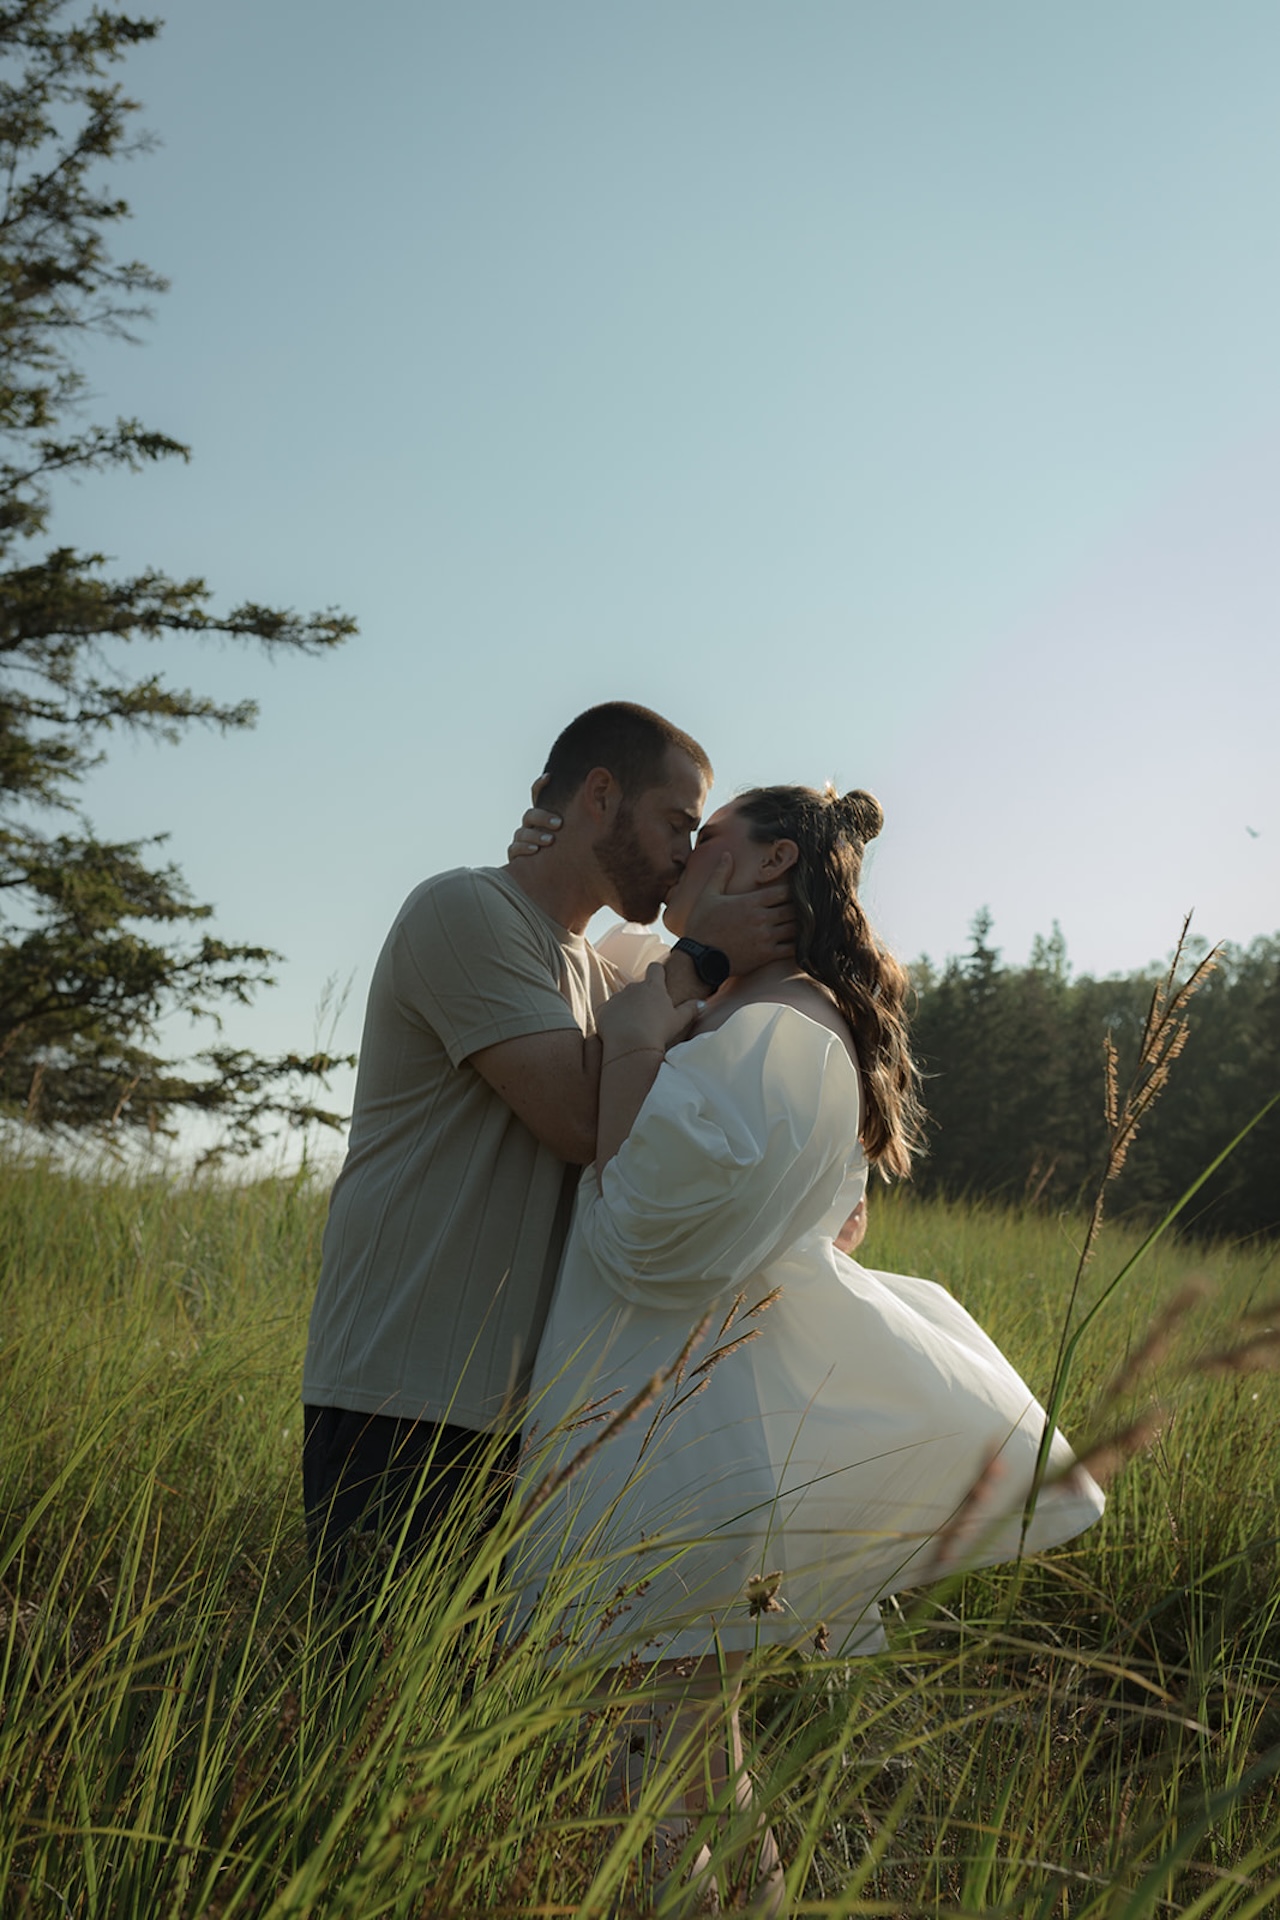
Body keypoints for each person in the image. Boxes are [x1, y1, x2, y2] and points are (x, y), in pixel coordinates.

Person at [511, 783, 1105, 1900]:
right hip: (667, 1442)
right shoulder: (758, 1006)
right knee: (688, 1774)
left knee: (643, 1793)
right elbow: (629, 941)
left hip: (660, 1462)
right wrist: (556, 867)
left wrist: (640, 1032)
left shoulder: (776, 1027)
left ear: (770, 859)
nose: (683, 853)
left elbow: (641, 1234)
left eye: (710, 836)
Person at [300, 702, 795, 1592]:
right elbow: (577, 1117)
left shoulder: (604, 971)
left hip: (523, 1419)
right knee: (372, 1710)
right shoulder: (464, 911)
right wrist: (698, 962)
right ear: (600, 796)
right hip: (404, 1398)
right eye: (677, 823)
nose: (686, 853)